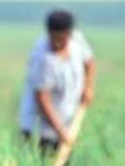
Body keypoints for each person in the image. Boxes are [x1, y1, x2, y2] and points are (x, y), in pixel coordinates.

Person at [19, 10, 96, 156]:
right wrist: (61, 132)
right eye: (53, 38)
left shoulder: (77, 40)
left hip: (67, 119)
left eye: (61, 38)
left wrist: (88, 87)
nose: (57, 43)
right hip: (40, 127)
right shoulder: (42, 58)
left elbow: (90, 62)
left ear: (69, 34)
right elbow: (42, 99)